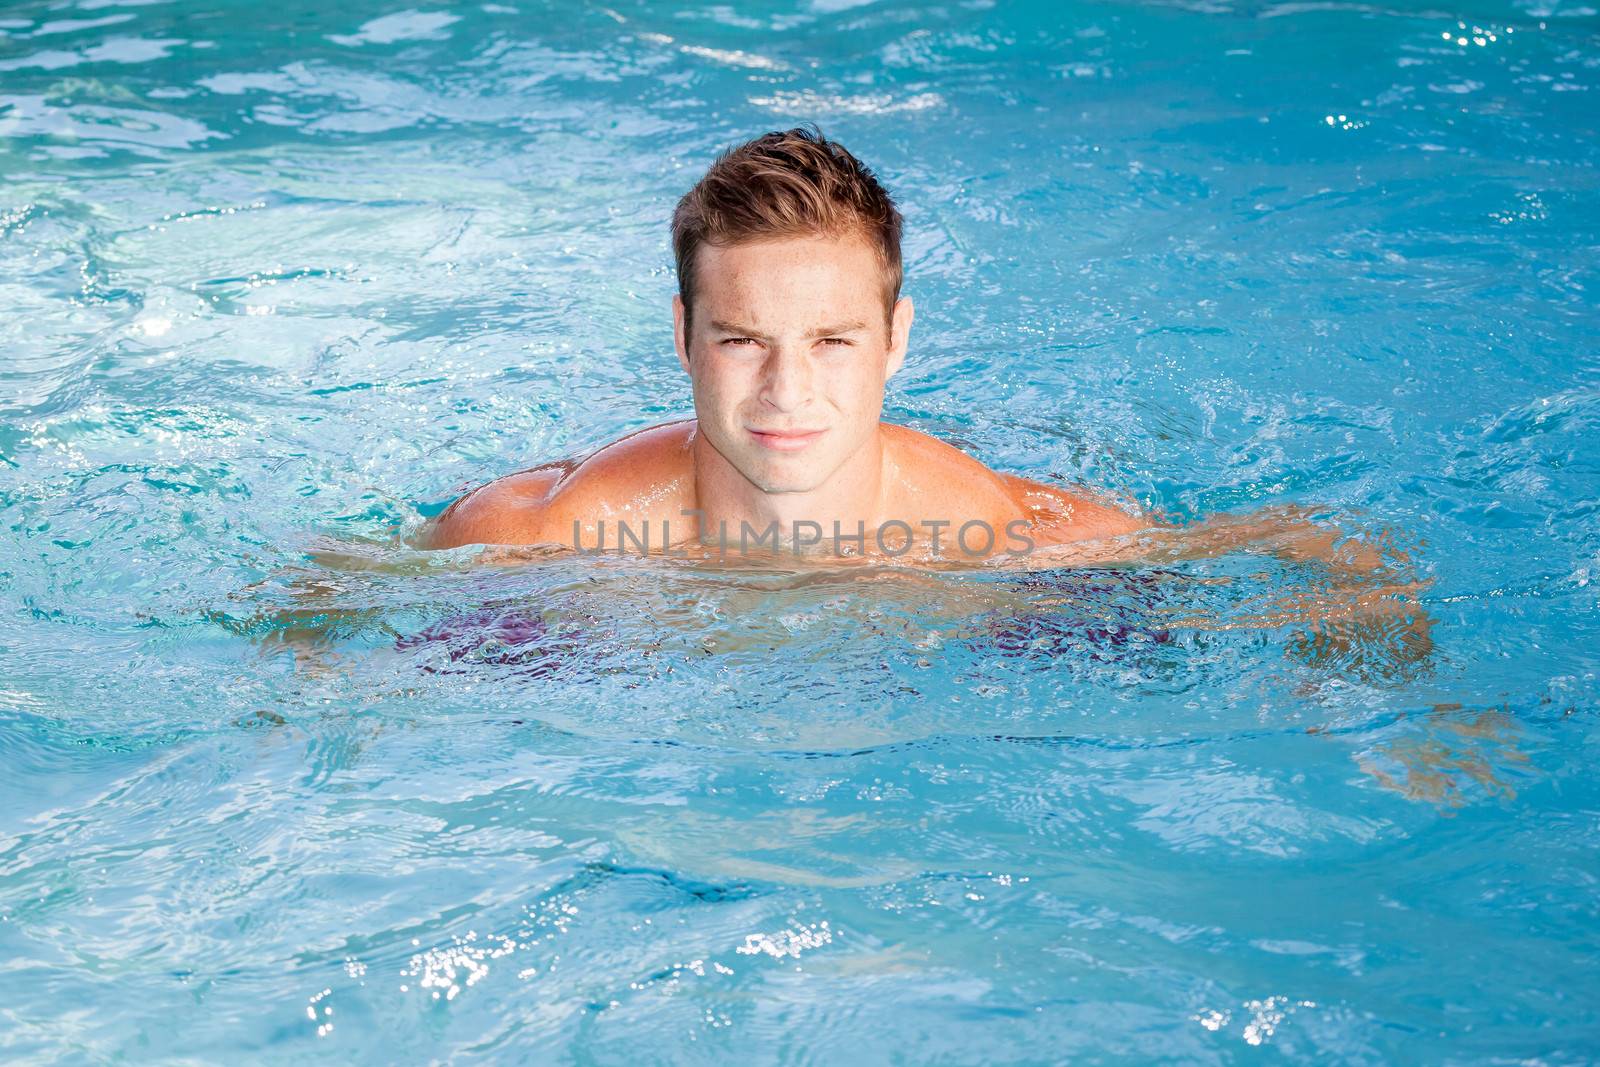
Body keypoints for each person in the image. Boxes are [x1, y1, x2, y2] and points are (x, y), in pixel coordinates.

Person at [423, 127, 1377, 571]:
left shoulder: (1002, 533)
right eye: (743, 341)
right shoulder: (549, 534)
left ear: (896, 342)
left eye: (832, 342)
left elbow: (1313, 543)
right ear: (682, 338)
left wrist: (1413, 709)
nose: (786, 392)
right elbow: (319, 591)